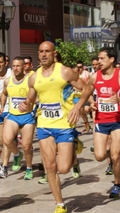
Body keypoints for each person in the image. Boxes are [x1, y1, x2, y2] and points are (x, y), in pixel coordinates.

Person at [19, 41, 86, 213]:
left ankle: (74, 144)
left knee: (63, 168)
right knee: (50, 167)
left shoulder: (64, 71)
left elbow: (86, 89)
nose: (43, 54)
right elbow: (31, 98)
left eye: (47, 51)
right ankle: (60, 204)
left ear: (53, 53)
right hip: (44, 125)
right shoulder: (34, 77)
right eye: (40, 51)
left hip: (64, 125)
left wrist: (77, 107)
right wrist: (26, 104)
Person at [70, 47, 120, 199]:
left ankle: (117, 184)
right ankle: (117, 148)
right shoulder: (95, 77)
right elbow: (86, 92)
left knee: (115, 156)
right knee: (99, 156)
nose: (98, 62)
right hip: (101, 120)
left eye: (102, 59)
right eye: (98, 59)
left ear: (112, 59)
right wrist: (91, 102)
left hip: (117, 120)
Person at [0, 56, 36, 180]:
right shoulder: (7, 81)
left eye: (18, 66)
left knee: (26, 146)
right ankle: (17, 154)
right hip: (13, 116)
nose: (15, 68)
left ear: (24, 67)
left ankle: (29, 168)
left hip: (27, 117)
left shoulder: (30, 80)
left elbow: (37, 96)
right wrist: (2, 106)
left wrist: (29, 103)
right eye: (14, 66)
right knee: (7, 140)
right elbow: (4, 93)